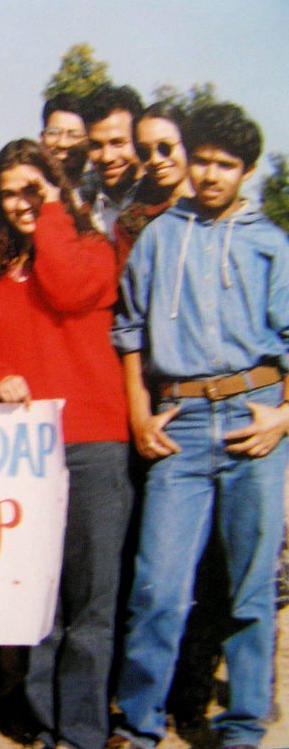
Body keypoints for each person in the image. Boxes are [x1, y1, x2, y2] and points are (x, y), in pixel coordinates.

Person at [109, 102, 289, 749]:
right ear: (189, 158)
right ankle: (138, 723)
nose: (212, 175)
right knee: (158, 585)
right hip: (179, 424)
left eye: (227, 165)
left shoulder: (269, 241)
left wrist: (283, 416)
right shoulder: (159, 235)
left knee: (250, 588)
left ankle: (242, 726)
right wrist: (138, 411)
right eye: (204, 160)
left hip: (253, 420)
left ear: (246, 170)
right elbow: (128, 328)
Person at [0, 139, 131, 749]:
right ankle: (43, 724)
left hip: (94, 445)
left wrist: (54, 212)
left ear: (54, 186)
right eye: (10, 193)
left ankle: (82, 733)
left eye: (33, 188)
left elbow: (67, 292)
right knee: (40, 602)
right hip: (27, 456)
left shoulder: (90, 248)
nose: (22, 202)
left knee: (91, 603)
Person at [113, 101, 193, 271]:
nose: (155, 160)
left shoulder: (215, 208)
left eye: (164, 148)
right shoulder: (132, 222)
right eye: (144, 152)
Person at [81, 84, 144, 240]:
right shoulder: (82, 204)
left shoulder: (160, 198)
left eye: (117, 143)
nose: (106, 157)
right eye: (96, 145)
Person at [39, 93, 90, 190]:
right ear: (41, 138)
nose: (62, 143)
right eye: (53, 133)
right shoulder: (29, 191)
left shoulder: (99, 193)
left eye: (74, 134)